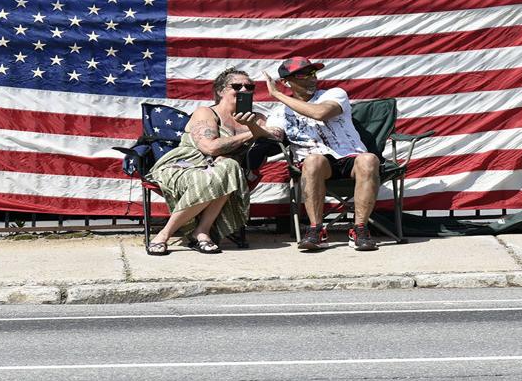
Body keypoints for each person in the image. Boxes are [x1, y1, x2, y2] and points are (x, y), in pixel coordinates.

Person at [145, 68, 273, 255]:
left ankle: (194, 231)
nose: (244, 90)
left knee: (228, 166)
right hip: (187, 165)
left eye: (249, 86)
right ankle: (178, 234)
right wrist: (251, 133)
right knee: (222, 170)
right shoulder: (207, 113)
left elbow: (277, 134)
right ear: (221, 91)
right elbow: (210, 148)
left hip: (226, 170)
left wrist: (253, 126)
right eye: (237, 86)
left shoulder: (257, 118)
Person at [261, 56, 381, 252]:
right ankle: (316, 230)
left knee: (369, 159)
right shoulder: (279, 113)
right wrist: (251, 126)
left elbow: (321, 113)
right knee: (313, 161)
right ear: (286, 82)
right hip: (316, 163)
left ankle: (360, 229)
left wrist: (277, 94)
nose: (311, 78)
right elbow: (273, 135)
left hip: (349, 157)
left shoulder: (334, 94)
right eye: (302, 75)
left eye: (313, 72)